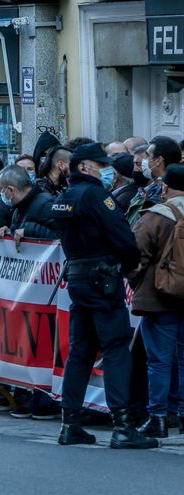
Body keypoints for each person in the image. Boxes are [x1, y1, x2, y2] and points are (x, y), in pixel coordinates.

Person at [52, 142, 158, 449]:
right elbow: (123, 238)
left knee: (81, 350)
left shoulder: (65, 197)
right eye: (101, 165)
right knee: (115, 348)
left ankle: (69, 423)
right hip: (102, 278)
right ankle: (123, 425)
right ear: (84, 167)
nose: (107, 171)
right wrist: (128, 265)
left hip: (77, 276)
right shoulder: (96, 195)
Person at [128, 165, 184, 438]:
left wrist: (137, 281)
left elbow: (134, 255)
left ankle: (158, 417)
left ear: (165, 188)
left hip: (159, 297)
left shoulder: (157, 216)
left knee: (159, 361)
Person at [0, 165, 58, 245]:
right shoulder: (18, 207)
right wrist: (10, 232)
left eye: (2, 189)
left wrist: (28, 230)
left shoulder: (46, 204)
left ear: (11, 190)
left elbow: (63, 236)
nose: (1, 193)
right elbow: (20, 233)